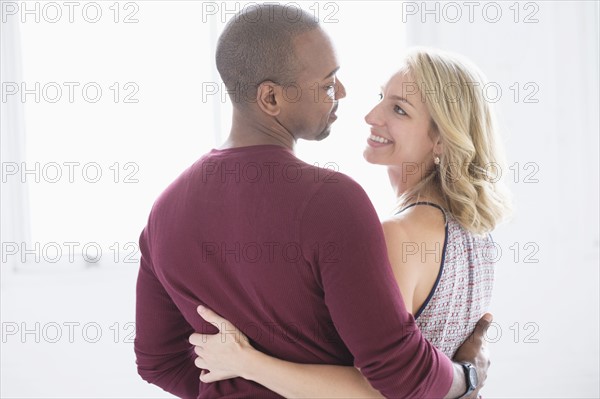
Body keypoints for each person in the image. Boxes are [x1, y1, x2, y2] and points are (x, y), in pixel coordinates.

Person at [135, 4, 491, 399]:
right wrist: (468, 377)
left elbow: (157, 361)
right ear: (270, 98)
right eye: (326, 84)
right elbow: (397, 370)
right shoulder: (333, 202)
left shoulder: (164, 211)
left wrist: (236, 383)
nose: (341, 94)